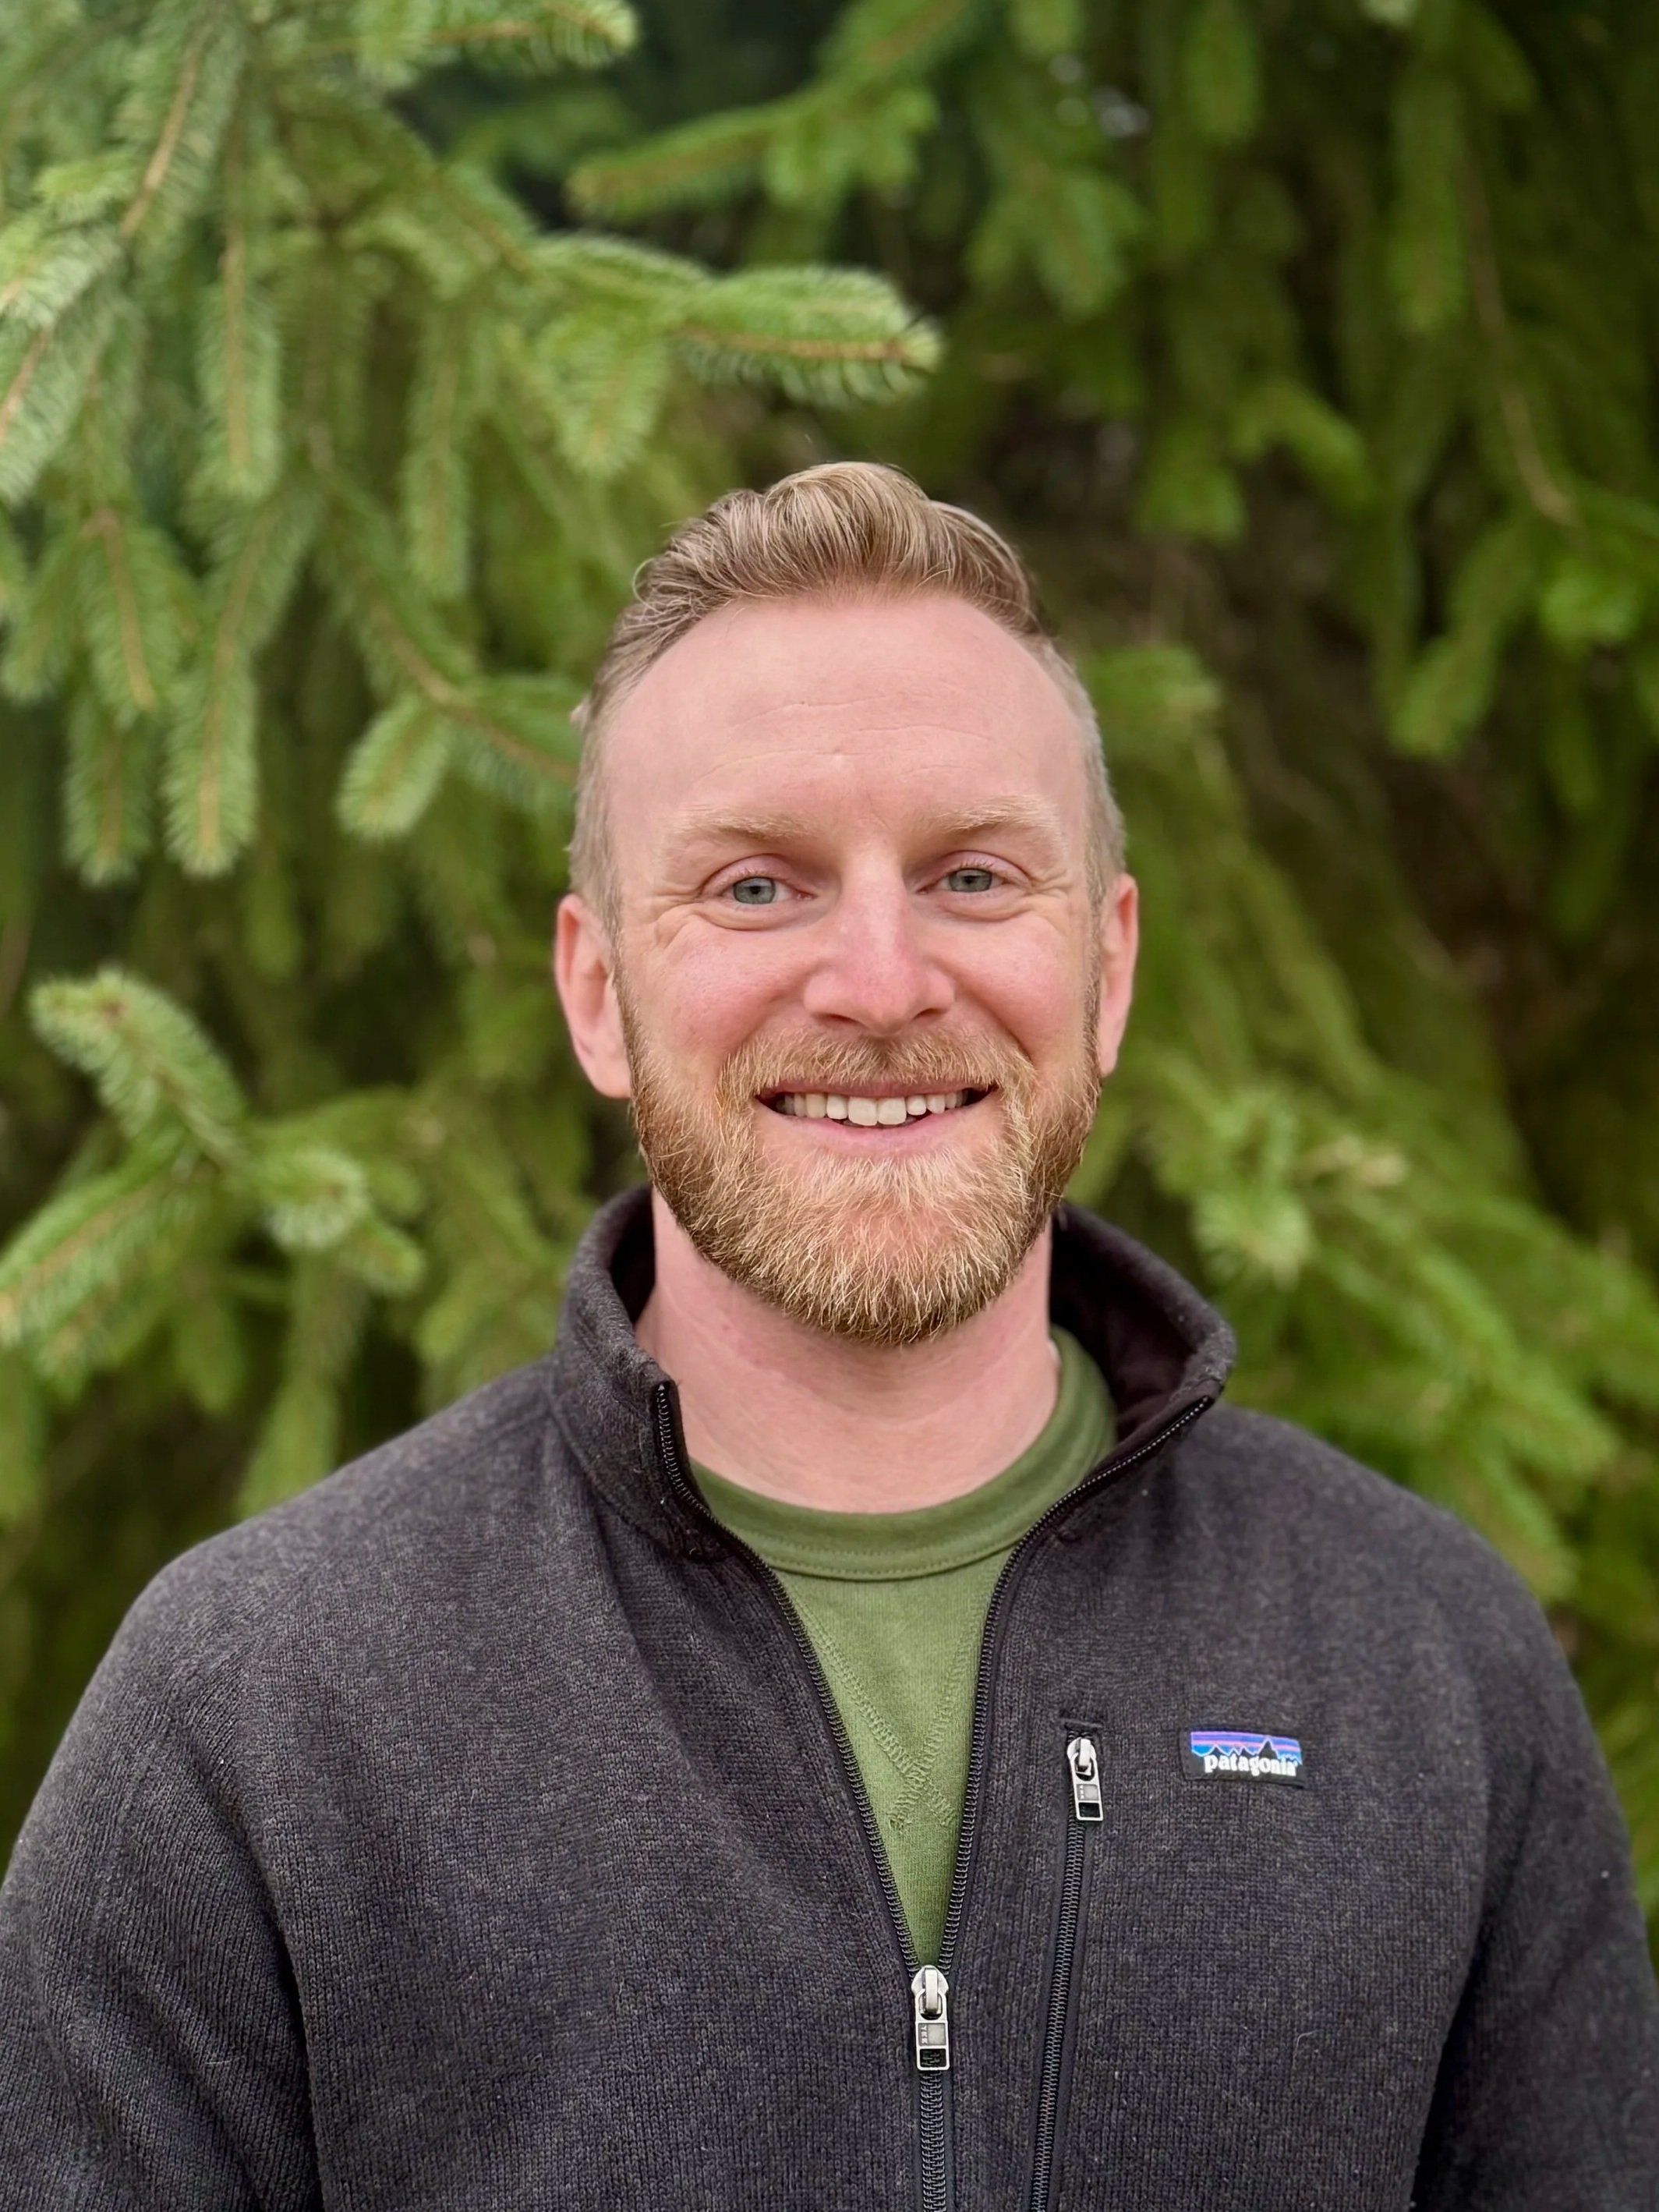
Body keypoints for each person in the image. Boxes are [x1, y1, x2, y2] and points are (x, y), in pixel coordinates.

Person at [2, 463, 1655, 2212]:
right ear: (596, 992)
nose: (877, 982)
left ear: (1105, 970)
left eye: (971, 875)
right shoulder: (260, 1711)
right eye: (754, 888)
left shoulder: (1425, 1667)